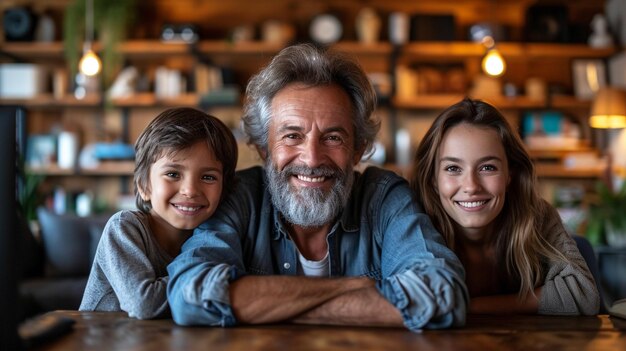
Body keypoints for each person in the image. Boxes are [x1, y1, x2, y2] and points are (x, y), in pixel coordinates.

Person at [167, 43, 468, 331]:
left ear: (357, 150)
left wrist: (270, 306)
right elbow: (189, 295)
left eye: (333, 137)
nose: (311, 159)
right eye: (292, 136)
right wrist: (351, 287)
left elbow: (442, 295)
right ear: (263, 148)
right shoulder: (242, 197)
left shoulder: (384, 197)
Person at [410, 98, 600, 315]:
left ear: (510, 174)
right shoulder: (414, 221)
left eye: (488, 167)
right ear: (433, 178)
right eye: (453, 168)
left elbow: (584, 294)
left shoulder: (537, 216)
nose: (471, 186)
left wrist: (465, 308)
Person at [80, 107, 238, 319]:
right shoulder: (124, 228)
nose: (190, 190)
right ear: (144, 186)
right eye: (173, 174)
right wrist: (205, 279)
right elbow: (144, 304)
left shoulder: (213, 237)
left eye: (208, 177)